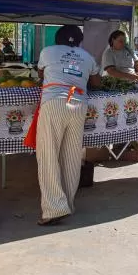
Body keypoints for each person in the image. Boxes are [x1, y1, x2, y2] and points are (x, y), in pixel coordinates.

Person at [35, 25, 101, 226]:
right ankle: (68, 205)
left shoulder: (48, 51)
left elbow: (40, 74)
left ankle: (54, 208)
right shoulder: (87, 56)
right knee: (72, 156)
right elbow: (97, 82)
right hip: (79, 103)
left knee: (48, 154)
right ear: (80, 40)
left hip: (54, 102)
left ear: (57, 39)